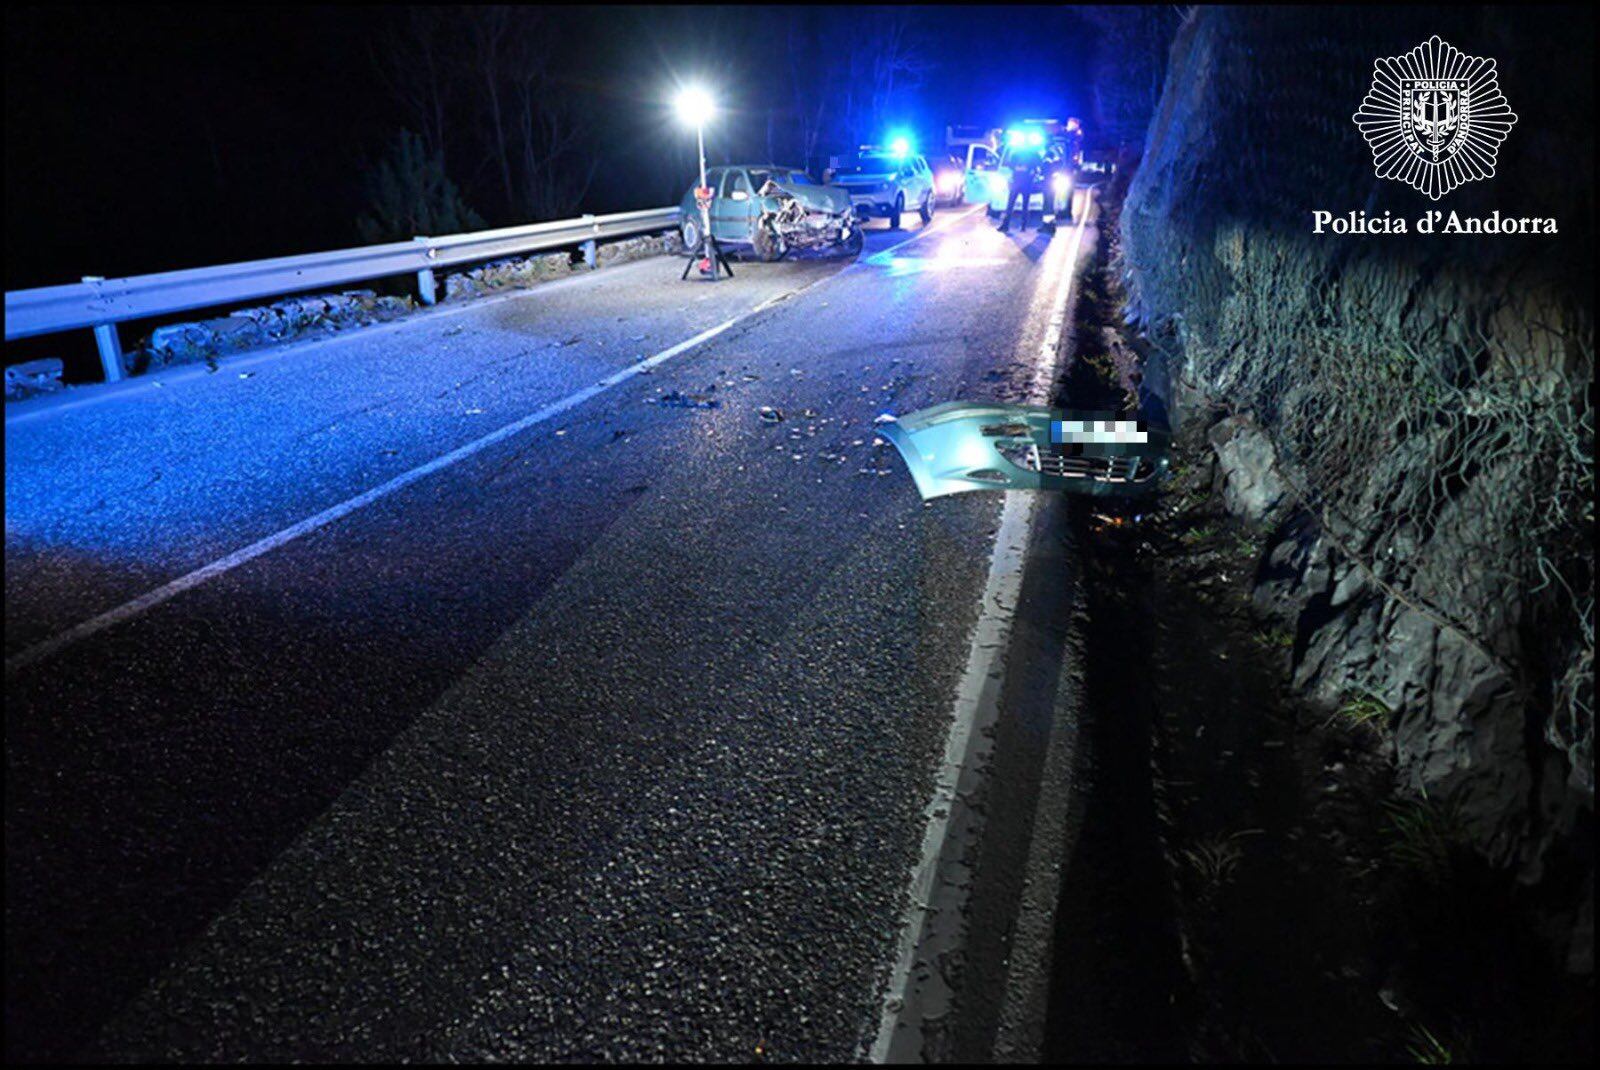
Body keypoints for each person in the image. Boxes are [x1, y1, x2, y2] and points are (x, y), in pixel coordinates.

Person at [998, 141, 1044, 233]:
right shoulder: (1032, 154)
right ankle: (1019, 226)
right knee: (1021, 205)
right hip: (1023, 182)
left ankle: (1009, 225)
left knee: (1013, 204)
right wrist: (1030, 170)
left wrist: (1027, 169)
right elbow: (1039, 166)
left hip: (1021, 182)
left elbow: (1010, 165)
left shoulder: (1023, 153)